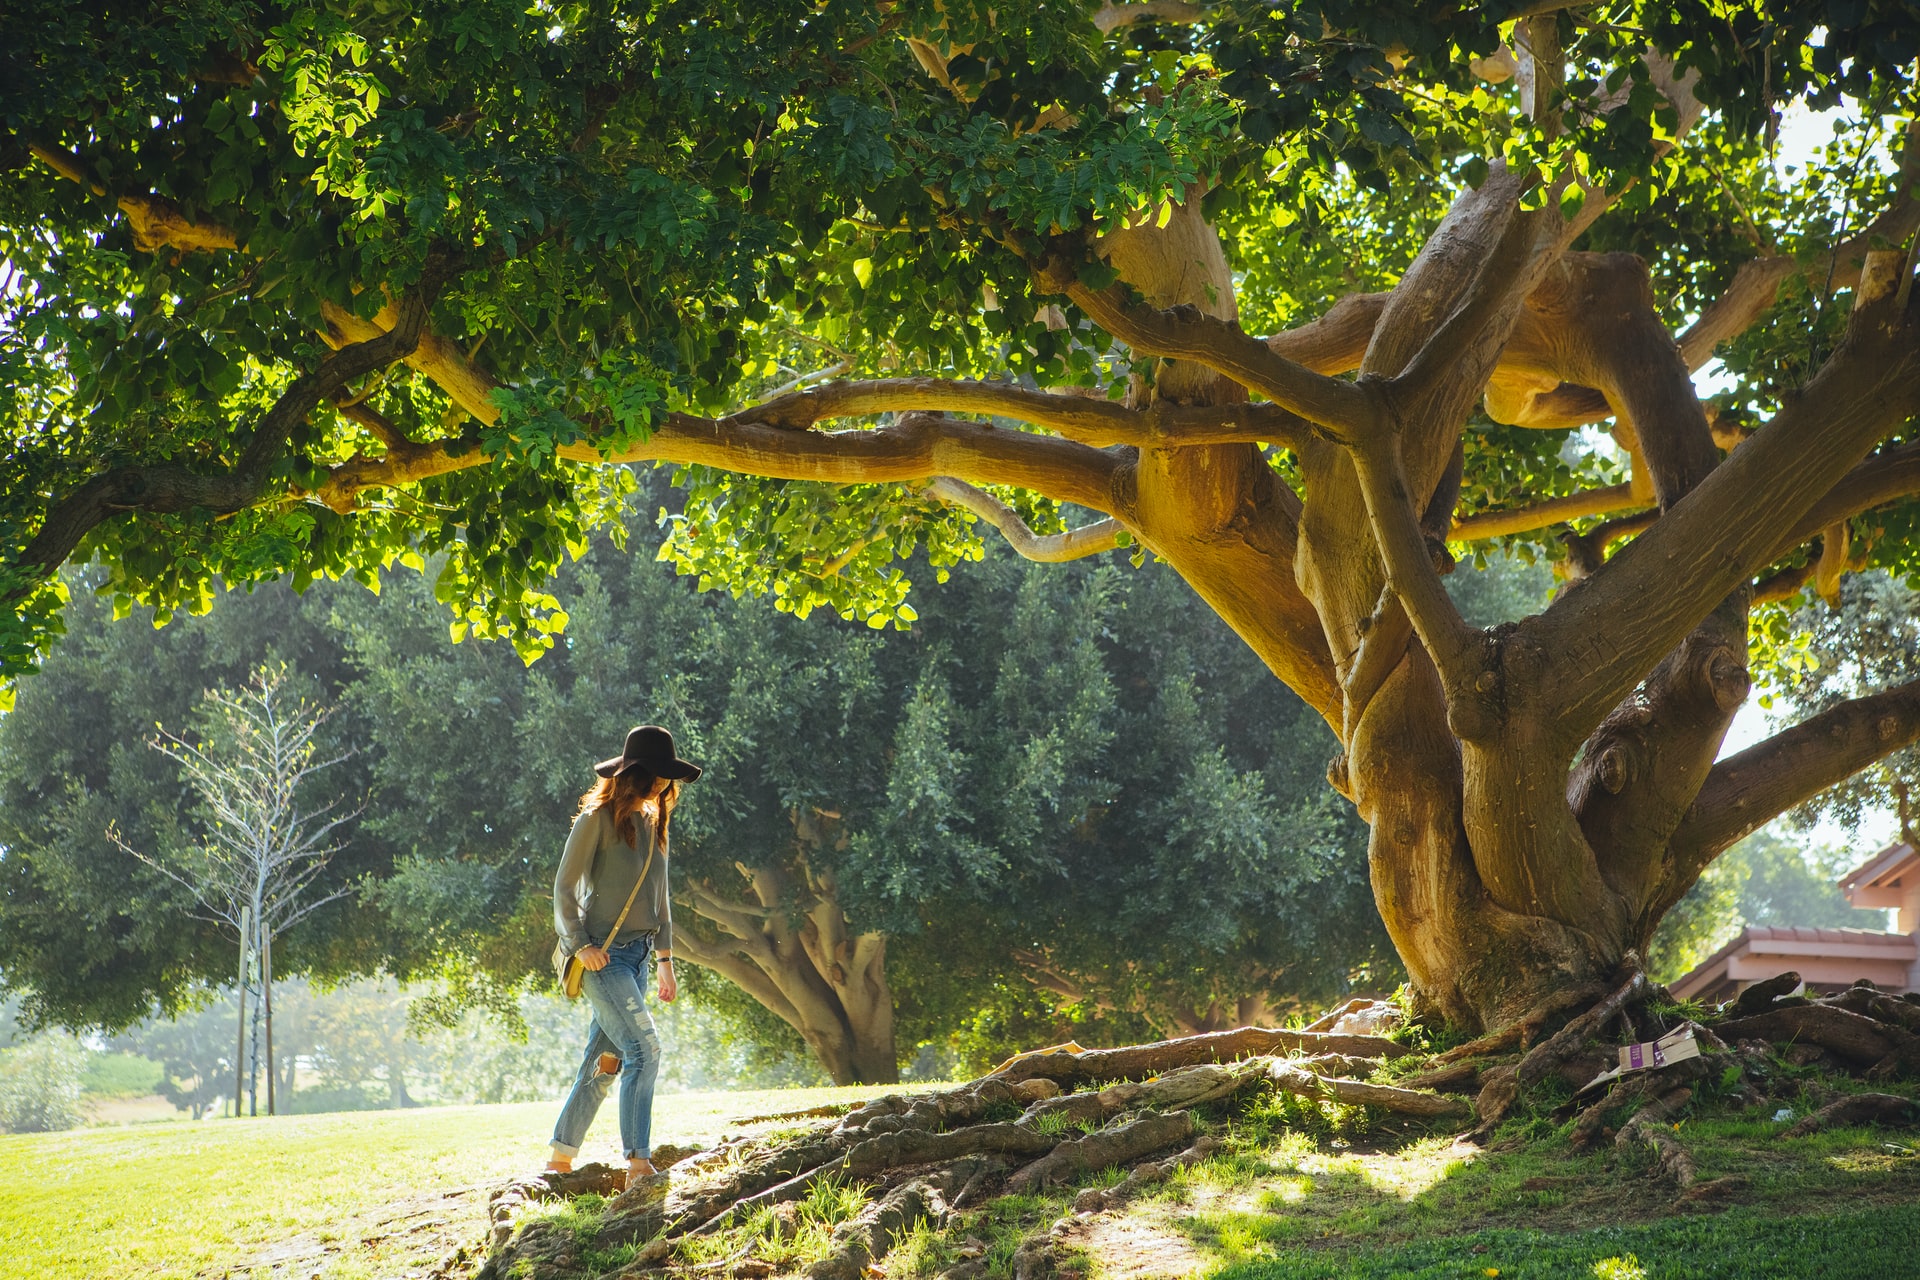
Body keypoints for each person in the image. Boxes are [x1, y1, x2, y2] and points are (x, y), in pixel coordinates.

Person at [546, 725, 700, 1184]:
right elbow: (564, 888)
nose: (662, 785)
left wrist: (666, 962)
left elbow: (662, 898)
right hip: (602, 957)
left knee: (604, 1063)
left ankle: (558, 1158)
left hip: (637, 959)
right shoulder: (595, 819)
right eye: (656, 775)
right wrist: (580, 945)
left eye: (666, 779)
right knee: (644, 1049)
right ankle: (637, 1163)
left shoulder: (655, 824)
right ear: (635, 773)